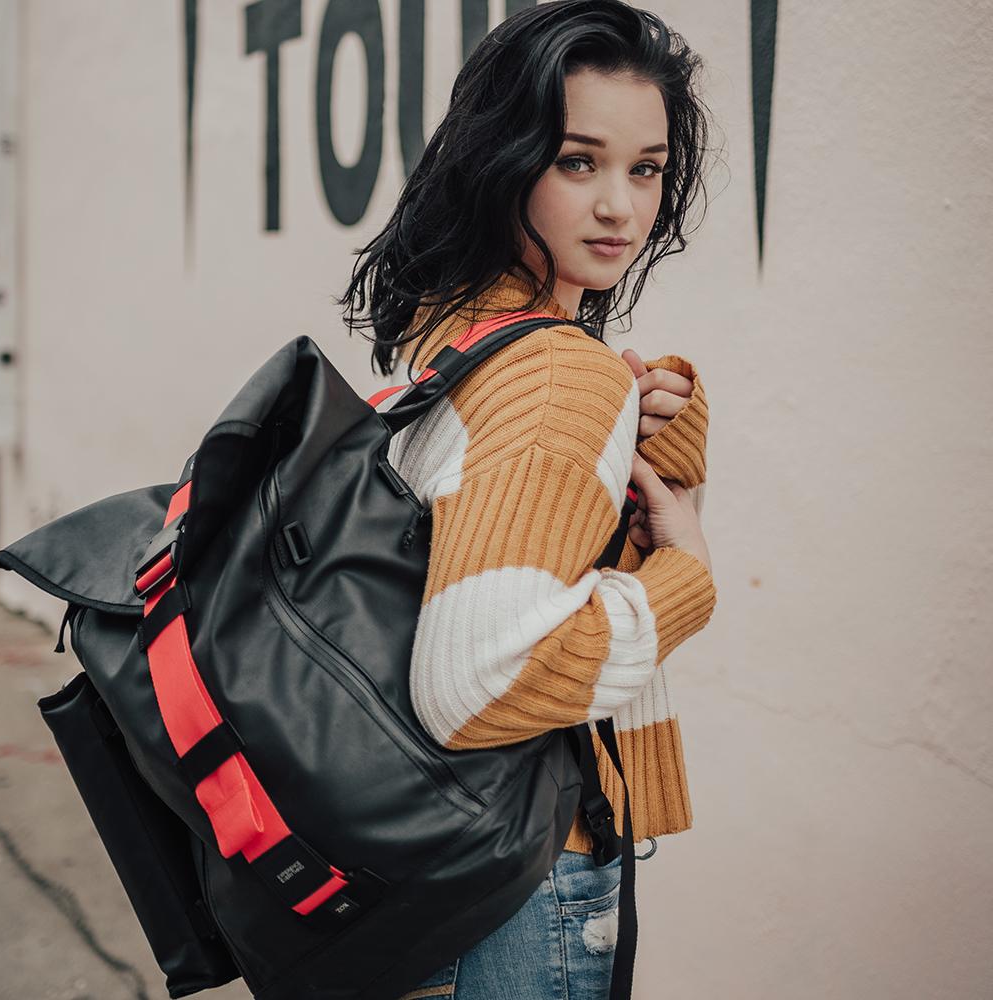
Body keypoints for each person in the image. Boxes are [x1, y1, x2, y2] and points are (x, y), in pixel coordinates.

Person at [336, 2, 716, 996]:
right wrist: (682, 579)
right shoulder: (555, 374)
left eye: (645, 167)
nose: (620, 210)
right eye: (577, 161)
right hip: (524, 878)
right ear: (503, 161)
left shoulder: (452, 338)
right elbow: (476, 684)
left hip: (435, 880)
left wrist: (638, 426)